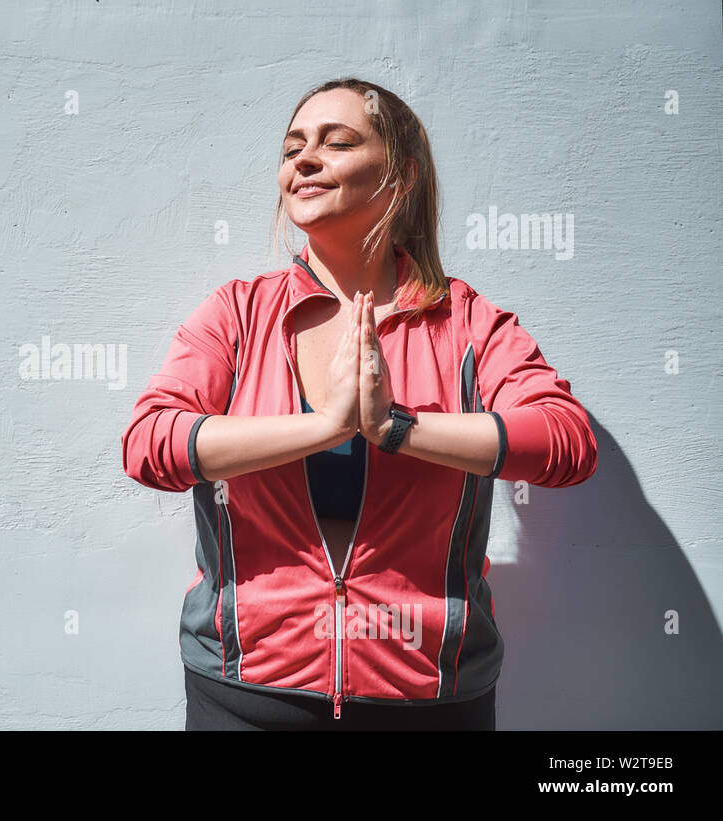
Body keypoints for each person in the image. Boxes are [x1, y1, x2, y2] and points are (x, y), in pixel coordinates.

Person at [119, 77, 598, 731]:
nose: (303, 160)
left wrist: (397, 428)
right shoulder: (238, 313)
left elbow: (566, 442)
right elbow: (149, 445)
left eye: (336, 142)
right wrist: (322, 427)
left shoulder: (465, 321)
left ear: (400, 177)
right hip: (244, 696)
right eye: (292, 149)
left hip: (431, 700)